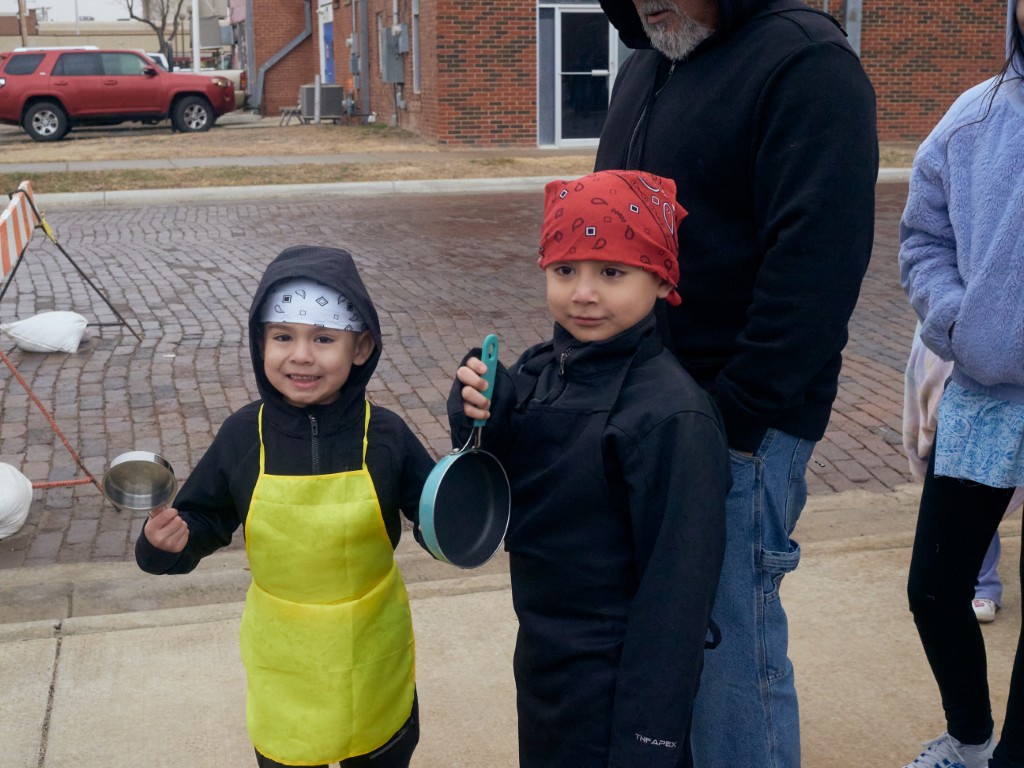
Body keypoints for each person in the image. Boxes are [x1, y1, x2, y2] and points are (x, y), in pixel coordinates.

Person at [593, 1, 878, 766]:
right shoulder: (645, 67)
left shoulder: (805, 64)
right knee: (662, 654)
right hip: (645, 423)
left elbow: (815, 274)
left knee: (729, 663)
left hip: (738, 436)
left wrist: (731, 422)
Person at [450, 170, 730, 768]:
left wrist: (648, 739)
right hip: (545, 662)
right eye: (565, 270)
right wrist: (479, 421)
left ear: (662, 278)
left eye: (611, 272)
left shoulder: (672, 417)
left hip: (618, 683)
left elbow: (678, 594)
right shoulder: (537, 373)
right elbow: (500, 496)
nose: (582, 293)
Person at [135, 245, 433, 768]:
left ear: (361, 347)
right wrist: (165, 546)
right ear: (260, 343)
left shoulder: (385, 434)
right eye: (283, 337)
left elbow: (433, 515)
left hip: (372, 646)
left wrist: (460, 514)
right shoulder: (241, 436)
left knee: (381, 748)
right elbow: (204, 518)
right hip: (285, 656)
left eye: (323, 338)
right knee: (289, 753)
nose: (301, 355)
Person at [898, 0, 1024, 765]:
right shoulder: (973, 118)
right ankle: (971, 740)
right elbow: (924, 237)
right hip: (985, 391)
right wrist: (956, 322)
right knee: (936, 585)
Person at [902, 322, 1024, 626]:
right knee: (974, 483)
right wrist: (955, 321)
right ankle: (982, 580)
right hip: (961, 363)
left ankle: (982, 580)